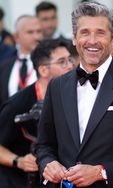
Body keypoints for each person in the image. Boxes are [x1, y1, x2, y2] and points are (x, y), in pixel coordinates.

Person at [35, 2, 113, 188]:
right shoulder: (57, 86)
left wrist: (101, 172)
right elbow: (44, 144)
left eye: (100, 33)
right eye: (85, 32)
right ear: (74, 38)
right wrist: (48, 163)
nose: (92, 40)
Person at [0, 38, 74, 188]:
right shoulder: (18, 104)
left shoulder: (75, 96)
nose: (71, 66)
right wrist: (18, 161)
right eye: (62, 62)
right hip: (20, 181)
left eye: (70, 60)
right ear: (43, 70)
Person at [0, 15, 42, 106]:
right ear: (16, 37)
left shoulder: (49, 63)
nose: (36, 37)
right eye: (30, 32)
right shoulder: (4, 66)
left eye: (39, 31)